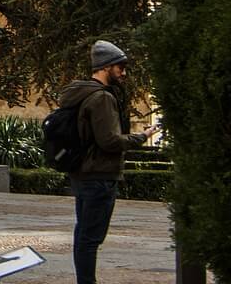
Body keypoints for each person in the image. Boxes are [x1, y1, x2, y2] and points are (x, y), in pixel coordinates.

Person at [56, 40, 148, 284]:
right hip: (99, 175)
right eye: (120, 67)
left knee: (84, 234)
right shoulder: (101, 98)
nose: (124, 73)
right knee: (90, 238)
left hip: (82, 172)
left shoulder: (78, 94)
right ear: (106, 67)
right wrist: (142, 137)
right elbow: (109, 141)